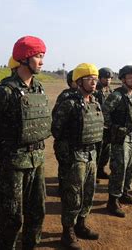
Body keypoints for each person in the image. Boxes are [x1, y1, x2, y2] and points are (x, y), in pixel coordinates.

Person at [0, 35, 51, 250]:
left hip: (37, 161)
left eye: (42, 56)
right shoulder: (5, 91)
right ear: (24, 58)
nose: (42, 61)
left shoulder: (38, 88)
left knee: (37, 212)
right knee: (11, 216)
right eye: (38, 56)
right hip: (13, 164)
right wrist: (8, 146)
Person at [52, 63, 102, 250]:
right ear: (79, 82)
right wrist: (67, 156)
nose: (94, 82)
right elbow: (57, 130)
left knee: (88, 193)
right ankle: (68, 232)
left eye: (95, 79)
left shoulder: (94, 102)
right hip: (75, 155)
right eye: (89, 79)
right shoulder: (69, 103)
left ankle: (81, 224)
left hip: (91, 155)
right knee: (73, 195)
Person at [103, 65, 132, 217]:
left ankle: (125, 193)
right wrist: (114, 127)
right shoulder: (117, 96)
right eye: (129, 77)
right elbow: (104, 112)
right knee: (119, 168)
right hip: (121, 137)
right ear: (122, 80)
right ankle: (113, 201)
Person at [52, 70, 78, 196]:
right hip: (65, 138)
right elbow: (56, 116)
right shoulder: (65, 96)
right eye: (75, 80)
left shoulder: (83, 95)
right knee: (65, 165)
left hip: (76, 139)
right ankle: (62, 188)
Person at [94, 67, 114, 180]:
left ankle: (100, 169)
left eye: (110, 78)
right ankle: (94, 172)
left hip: (108, 126)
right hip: (98, 126)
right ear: (100, 78)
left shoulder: (110, 91)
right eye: (105, 78)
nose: (108, 80)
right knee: (97, 150)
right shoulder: (95, 91)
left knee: (106, 150)